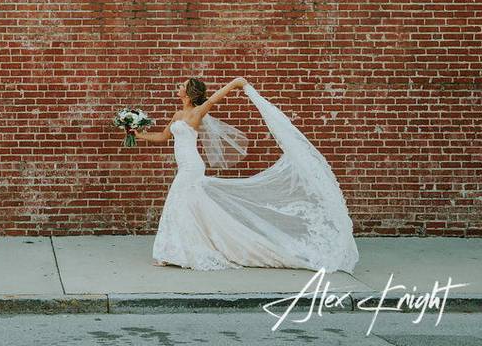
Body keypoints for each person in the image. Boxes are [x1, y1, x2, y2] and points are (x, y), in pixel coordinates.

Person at [135, 77, 359, 273]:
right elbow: (163, 137)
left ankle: (175, 252)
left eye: (182, 86)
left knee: (177, 203)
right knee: (184, 206)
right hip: (184, 166)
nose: (178, 88)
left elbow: (214, 99)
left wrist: (235, 83)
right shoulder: (177, 114)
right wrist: (138, 134)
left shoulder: (196, 112)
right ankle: (177, 250)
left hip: (192, 167)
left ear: (190, 93)